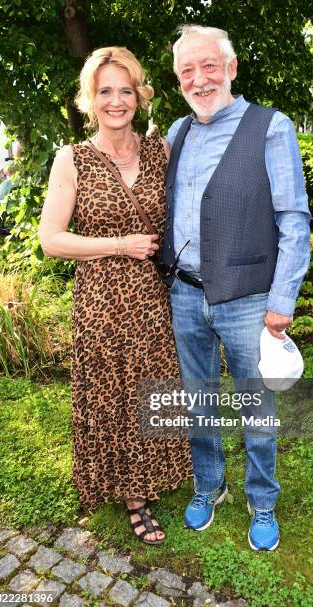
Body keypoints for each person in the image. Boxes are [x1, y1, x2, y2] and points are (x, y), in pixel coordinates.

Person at [162, 25, 311, 550]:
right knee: (198, 399)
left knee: (256, 406)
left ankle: (262, 499)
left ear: (230, 67)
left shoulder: (271, 127)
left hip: (249, 298)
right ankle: (210, 485)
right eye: (186, 71)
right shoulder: (175, 133)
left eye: (207, 66)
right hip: (183, 293)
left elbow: (293, 219)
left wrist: (281, 301)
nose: (198, 79)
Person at [39, 46, 192, 544]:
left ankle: (156, 473)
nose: (116, 100)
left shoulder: (160, 151)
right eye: (105, 90)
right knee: (113, 395)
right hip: (101, 299)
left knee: (151, 386)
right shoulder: (73, 159)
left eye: (125, 90)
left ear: (139, 96)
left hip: (152, 298)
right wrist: (120, 245)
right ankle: (132, 495)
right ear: (91, 98)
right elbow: (52, 239)